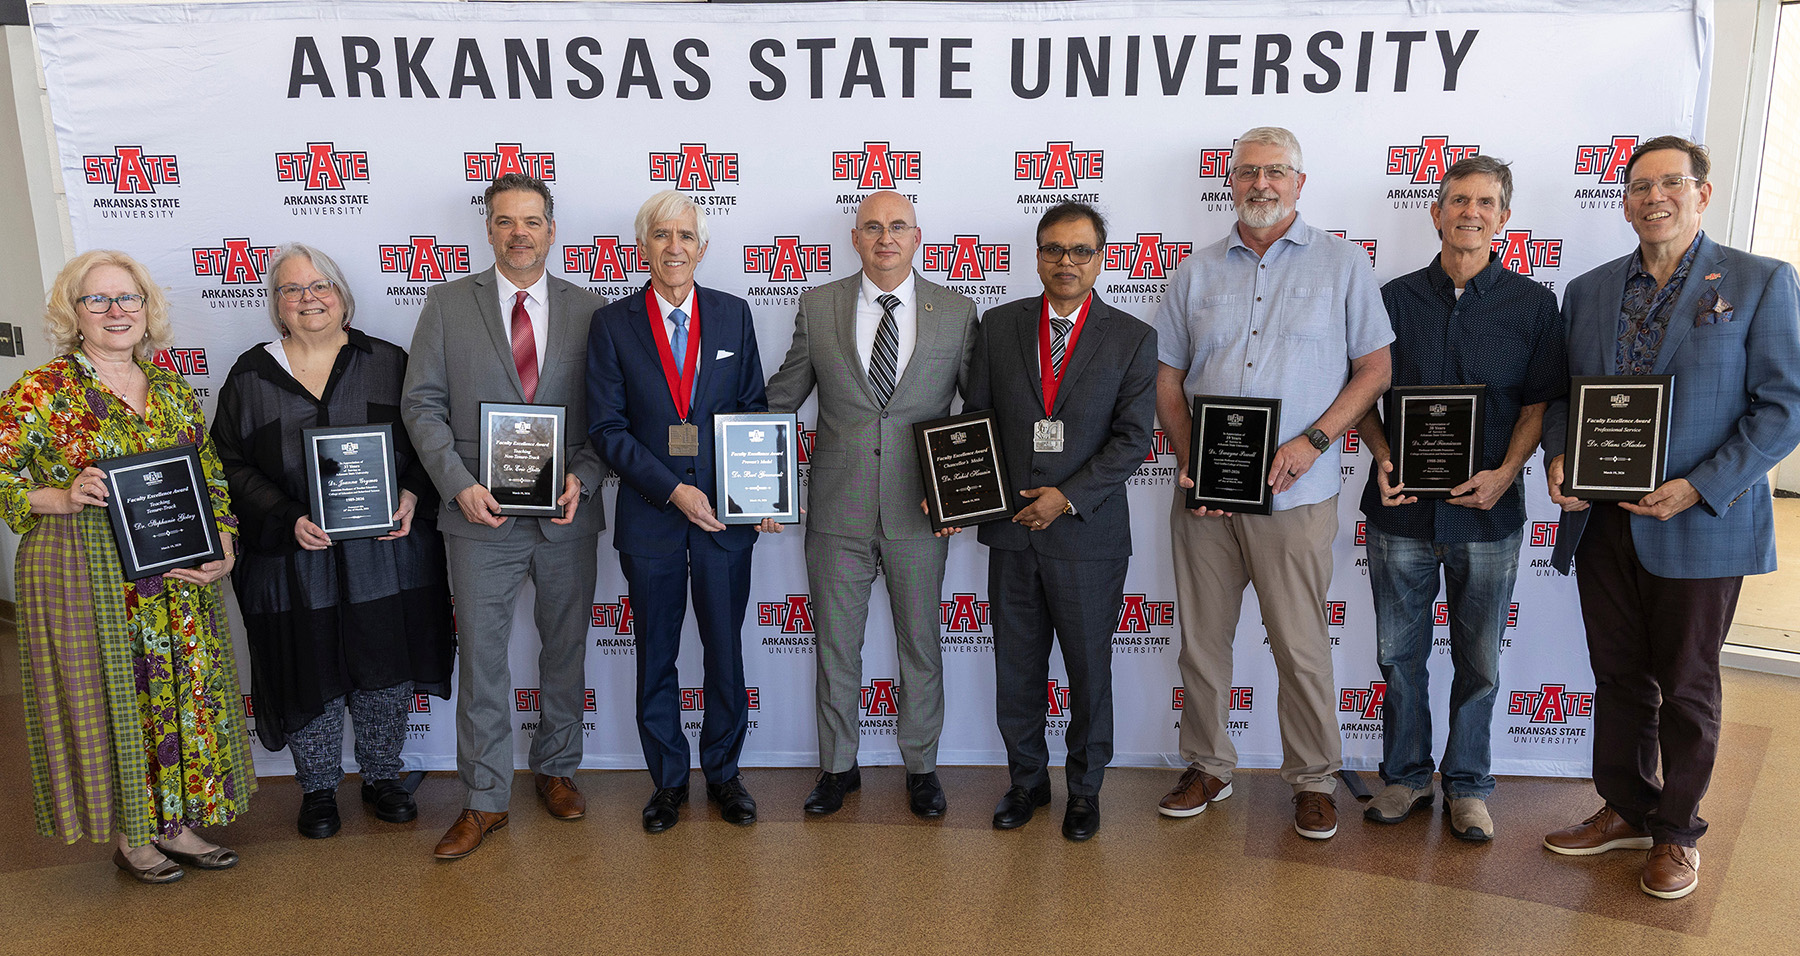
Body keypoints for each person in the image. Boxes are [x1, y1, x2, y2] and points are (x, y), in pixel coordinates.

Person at [1539, 135, 1800, 899]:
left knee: (1687, 684)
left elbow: (1784, 407)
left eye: (1671, 184)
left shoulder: (1758, 281)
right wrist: (1560, 457)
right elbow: (1561, 396)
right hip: (1603, 520)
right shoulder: (1587, 291)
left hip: (1699, 519)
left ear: (1701, 194)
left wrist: (1698, 484)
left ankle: (1678, 832)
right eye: (1639, 186)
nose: (1654, 198)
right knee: (1618, 675)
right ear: (1622, 199)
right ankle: (1625, 805)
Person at [1153, 126, 1393, 840]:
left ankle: (1314, 779)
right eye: (1248, 172)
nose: (1261, 184)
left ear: (1299, 182)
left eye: (1275, 173)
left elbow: (1374, 368)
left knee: (1301, 644)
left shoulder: (1344, 265)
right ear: (1231, 181)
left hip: (1297, 493)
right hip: (1206, 492)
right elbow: (1168, 379)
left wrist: (1316, 441)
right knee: (1202, 641)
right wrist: (1191, 454)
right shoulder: (1194, 272)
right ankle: (1207, 765)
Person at [0, 250, 252, 883]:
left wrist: (223, 537)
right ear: (72, 311)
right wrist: (53, 496)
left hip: (173, 574)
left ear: (147, 308)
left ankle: (177, 824)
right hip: (85, 576)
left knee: (176, 695)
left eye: (128, 298)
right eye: (97, 300)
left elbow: (210, 473)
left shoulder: (167, 385)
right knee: (113, 699)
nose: (116, 312)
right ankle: (132, 837)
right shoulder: (42, 390)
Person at [1354, 157, 1567, 841]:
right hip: (1401, 513)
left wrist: (1508, 471)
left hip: (1490, 516)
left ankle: (1469, 784)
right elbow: (1358, 392)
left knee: (1480, 662)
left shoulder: (1534, 305)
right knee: (1397, 656)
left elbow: (1538, 403)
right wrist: (1385, 455)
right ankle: (1407, 776)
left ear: (1503, 217)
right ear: (1436, 212)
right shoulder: (1391, 299)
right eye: (1457, 200)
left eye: (1485, 201)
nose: (1469, 212)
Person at [211, 244, 455, 840]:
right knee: (305, 664)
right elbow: (228, 464)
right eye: (292, 290)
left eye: (320, 285)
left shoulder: (389, 362)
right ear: (276, 306)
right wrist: (287, 514)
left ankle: (381, 776)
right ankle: (318, 789)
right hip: (294, 556)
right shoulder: (250, 374)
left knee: (385, 663)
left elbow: (432, 439)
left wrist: (413, 496)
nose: (308, 298)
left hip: (384, 553)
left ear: (343, 295)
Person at [402, 174, 607, 860]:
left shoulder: (591, 309)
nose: (519, 233)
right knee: (484, 661)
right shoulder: (446, 304)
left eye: (532, 221)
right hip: (477, 518)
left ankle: (556, 768)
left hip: (566, 516)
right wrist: (458, 485)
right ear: (488, 230)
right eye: (505, 221)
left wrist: (585, 474)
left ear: (552, 230)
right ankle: (485, 798)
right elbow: (421, 406)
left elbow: (609, 418)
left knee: (566, 651)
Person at [763, 190, 978, 818]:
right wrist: (750, 484)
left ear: (918, 237)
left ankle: (922, 769)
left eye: (898, 227)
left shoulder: (957, 311)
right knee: (835, 645)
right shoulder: (819, 305)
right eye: (873, 227)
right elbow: (782, 400)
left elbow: (977, 409)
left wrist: (964, 494)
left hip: (921, 510)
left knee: (921, 644)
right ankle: (838, 768)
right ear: (854, 238)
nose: (886, 238)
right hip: (836, 513)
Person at [965, 201, 1157, 842]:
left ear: (1103, 258)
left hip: (1087, 534)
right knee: (1016, 668)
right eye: (1053, 249)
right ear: (1037, 254)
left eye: (1080, 251)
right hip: (1011, 532)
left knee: (1087, 670)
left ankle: (1084, 790)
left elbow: (1133, 441)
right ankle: (1025, 783)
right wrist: (963, 496)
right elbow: (977, 424)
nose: (1065, 262)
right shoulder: (997, 326)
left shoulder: (1131, 337)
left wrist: (1065, 497)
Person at [587, 189, 769, 833]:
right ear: (642, 247)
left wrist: (760, 489)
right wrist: (673, 490)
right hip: (653, 519)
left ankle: (724, 775)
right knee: (656, 654)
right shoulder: (612, 325)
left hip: (724, 522)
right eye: (661, 235)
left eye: (685, 236)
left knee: (725, 652)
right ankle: (668, 782)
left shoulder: (733, 315)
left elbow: (751, 410)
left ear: (702, 247)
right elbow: (607, 429)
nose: (674, 247)